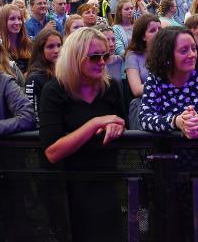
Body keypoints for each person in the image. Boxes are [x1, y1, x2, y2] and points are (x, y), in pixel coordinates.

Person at [39, 27, 126, 241]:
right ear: (74, 57)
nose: (102, 62)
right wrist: (95, 123)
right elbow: (52, 151)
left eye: (105, 55)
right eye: (95, 57)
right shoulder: (54, 91)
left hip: (107, 180)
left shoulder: (112, 88)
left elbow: (122, 123)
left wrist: (116, 126)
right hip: (69, 187)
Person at [139, 27, 198, 136]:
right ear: (166, 55)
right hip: (167, 150)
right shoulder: (156, 77)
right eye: (184, 51)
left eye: (194, 48)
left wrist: (197, 121)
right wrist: (176, 121)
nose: (192, 54)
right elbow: (145, 118)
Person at [24, 28, 62, 126]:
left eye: (59, 45)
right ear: (40, 50)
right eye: (50, 47)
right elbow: (34, 116)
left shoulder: (64, 72)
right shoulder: (35, 78)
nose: (57, 50)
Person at [125, 14, 161, 99]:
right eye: (152, 30)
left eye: (160, 29)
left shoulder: (166, 52)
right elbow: (136, 90)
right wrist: (163, 84)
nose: (158, 33)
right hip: (145, 102)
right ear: (143, 36)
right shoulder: (132, 56)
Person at [0, 4, 33, 73]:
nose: (17, 22)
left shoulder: (29, 43)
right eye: (12, 19)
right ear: (3, 22)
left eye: (19, 19)